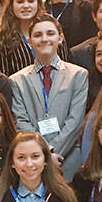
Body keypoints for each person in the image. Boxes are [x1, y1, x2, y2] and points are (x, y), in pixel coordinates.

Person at [11, 14, 88, 181]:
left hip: (67, 159)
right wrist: (44, 155)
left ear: (60, 38)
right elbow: (21, 122)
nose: (44, 39)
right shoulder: (17, 80)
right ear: (30, 41)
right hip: (32, 162)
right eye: (38, 35)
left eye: (50, 34)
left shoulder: (78, 75)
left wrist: (53, 154)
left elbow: (75, 121)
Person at [0, 0, 68, 77]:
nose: (26, 6)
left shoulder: (52, 30)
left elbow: (64, 68)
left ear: (38, 3)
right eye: (20, 1)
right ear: (12, 5)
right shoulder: (2, 37)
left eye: (31, 1)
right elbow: (1, 78)